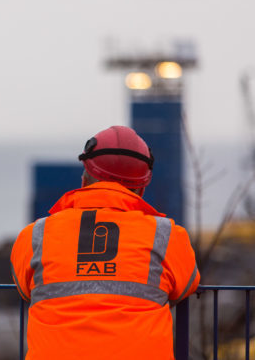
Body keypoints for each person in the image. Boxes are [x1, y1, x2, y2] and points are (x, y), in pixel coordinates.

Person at [10, 125, 200, 360]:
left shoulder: (36, 234)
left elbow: (25, 288)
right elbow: (185, 286)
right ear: (141, 186)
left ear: (84, 176)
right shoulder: (167, 235)